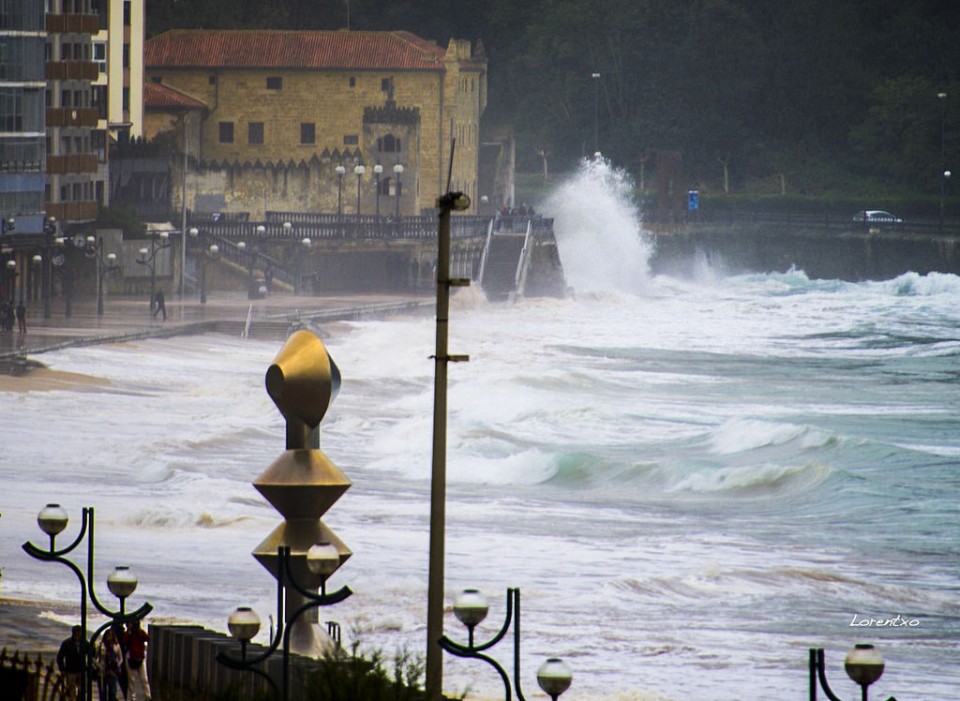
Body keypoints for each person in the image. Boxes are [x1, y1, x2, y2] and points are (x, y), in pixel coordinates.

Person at [57, 625, 89, 701]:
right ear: (74, 633)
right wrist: (62, 669)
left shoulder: (84, 643)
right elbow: (60, 657)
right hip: (70, 670)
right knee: (71, 691)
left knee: (83, 690)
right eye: (77, 632)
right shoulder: (67, 643)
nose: (79, 634)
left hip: (81, 670)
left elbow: (92, 653)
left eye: (80, 632)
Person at [122, 619, 151, 701]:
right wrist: (129, 631)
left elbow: (147, 638)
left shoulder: (140, 633)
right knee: (132, 680)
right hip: (131, 658)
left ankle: (148, 696)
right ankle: (132, 698)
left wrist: (140, 632)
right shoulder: (129, 633)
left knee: (144, 678)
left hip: (140, 657)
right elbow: (124, 641)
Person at [99, 627, 124, 700]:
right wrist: (99, 665)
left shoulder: (116, 645)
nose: (109, 637)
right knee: (103, 691)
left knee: (113, 691)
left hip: (113, 670)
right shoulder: (101, 645)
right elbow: (96, 657)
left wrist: (118, 665)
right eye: (107, 635)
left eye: (110, 635)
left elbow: (120, 658)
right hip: (103, 670)